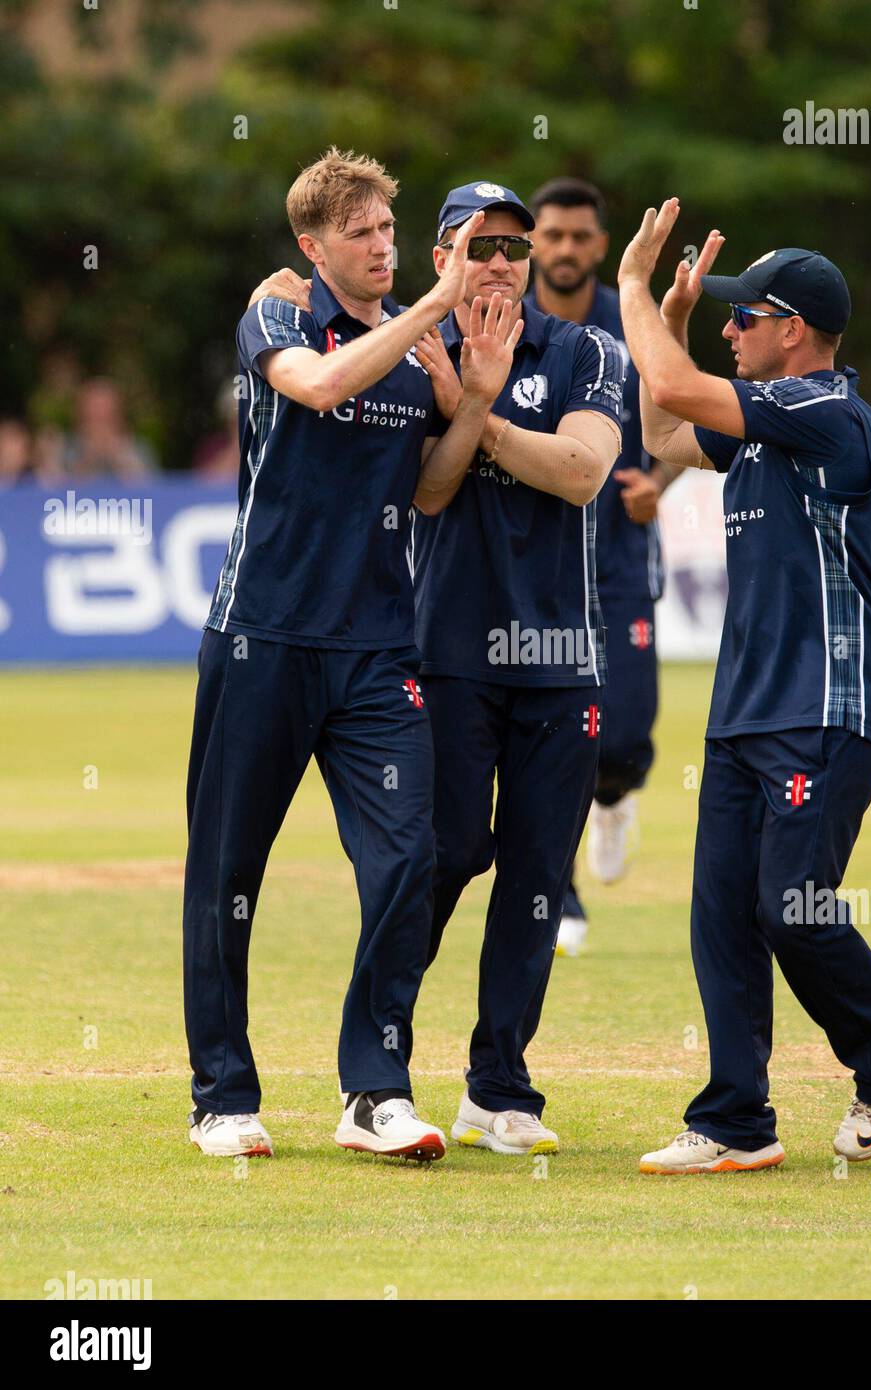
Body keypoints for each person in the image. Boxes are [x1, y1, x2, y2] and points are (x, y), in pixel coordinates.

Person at [184, 148, 520, 1163]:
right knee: (228, 871)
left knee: (413, 855)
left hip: (378, 647)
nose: (382, 247)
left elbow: (426, 491)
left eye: (389, 230)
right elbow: (322, 388)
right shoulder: (281, 317)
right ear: (312, 246)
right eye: (363, 233)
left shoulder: (415, 353)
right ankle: (222, 1095)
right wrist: (433, 309)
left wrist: (471, 403)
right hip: (263, 638)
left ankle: (374, 1089)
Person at [617, 202, 871, 1175]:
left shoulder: (824, 411)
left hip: (828, 705)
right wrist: (669, 322)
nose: (729, 328)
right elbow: (662, 425)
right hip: (746, 712)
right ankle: (733, 1121)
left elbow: (676, 385)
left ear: (790, 328)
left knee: (788, 902)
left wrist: (632, 290)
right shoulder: (759, 428)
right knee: (722, 912)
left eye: (741, 316)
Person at [409, 180, 626, 1155]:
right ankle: (377, 1072)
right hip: (445, 656)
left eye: (512, 243)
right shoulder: (409, 351)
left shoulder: (587, 352)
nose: (498, 259)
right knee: (445, 855)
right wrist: (463, 402)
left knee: (538, 876)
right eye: (477, 242)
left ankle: (498, 1087)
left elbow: (580, 474)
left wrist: (479, 415)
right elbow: (428, 487)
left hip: (560, 661)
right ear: (441, 256)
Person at [526, 177, 671, 958]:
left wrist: (659, 482)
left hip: (620, 559)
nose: (567, 249)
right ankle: (561, 892)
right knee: (552, 730)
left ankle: (616, 797)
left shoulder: (630, 326)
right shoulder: (521, 326)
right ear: (535, 243)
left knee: (622, 735)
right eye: (553, 235)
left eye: (581, 236)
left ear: (601, 245)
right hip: (540, 565)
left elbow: (686, 411)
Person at [59, 378, 158, 479]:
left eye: (106, 418)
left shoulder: (139, 448)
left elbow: (148, 488)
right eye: (93, 417)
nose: (100, 427)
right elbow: (60, 488)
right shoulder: (64, 448)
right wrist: (89, 457)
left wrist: (119, 454)